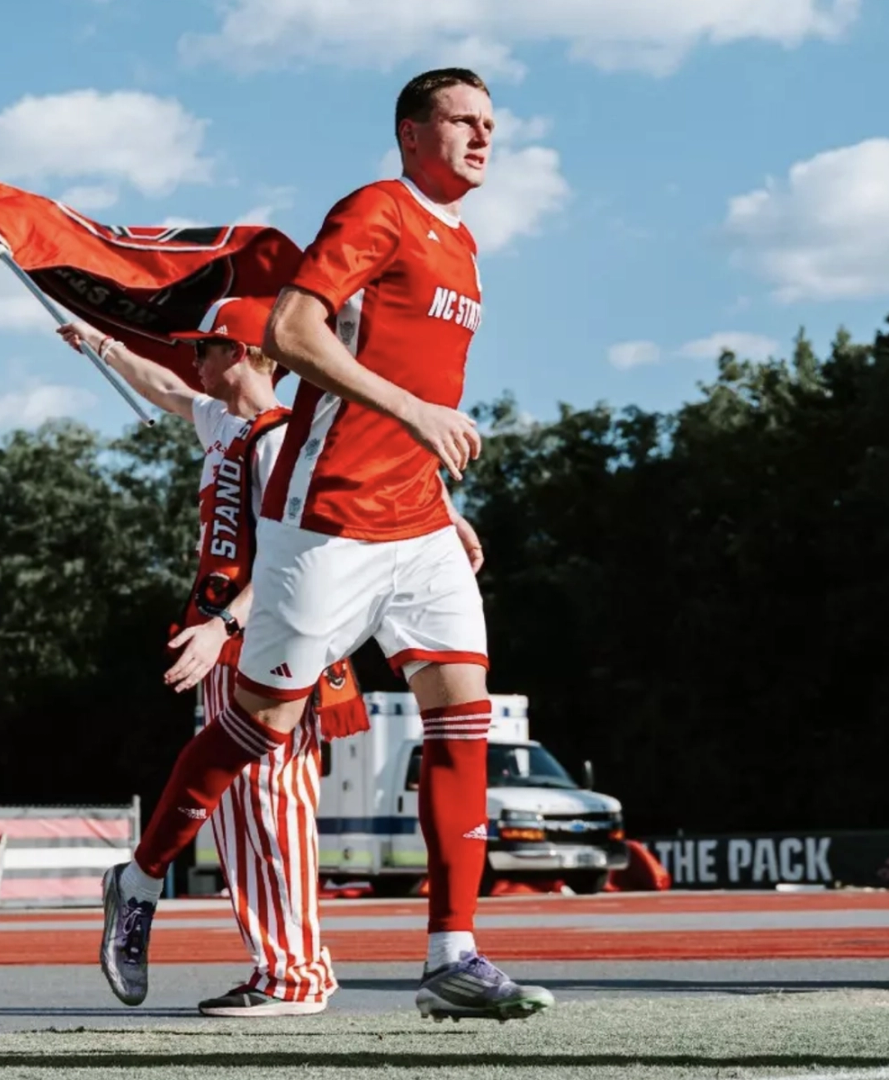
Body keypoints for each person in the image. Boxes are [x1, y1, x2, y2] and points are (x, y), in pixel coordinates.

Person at [96, 67, 551, 1022]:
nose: (484, 136)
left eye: (491, 123)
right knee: (257, 726)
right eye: (463, 120)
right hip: (327, 517)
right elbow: (294, 329)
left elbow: (416, 387)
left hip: (417, 522)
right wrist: (413, 412)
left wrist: (440, 497)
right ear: (411, 133)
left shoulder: (467, 248)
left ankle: (453, 955)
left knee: (463, 716)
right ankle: (137, 881)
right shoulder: (378, 208)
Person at [58, 298, 368, 1016]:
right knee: (239, 809)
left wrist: (223, 624)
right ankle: (278, 966)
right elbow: (166, 389)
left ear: (239, 351)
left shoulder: (283, 438)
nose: (192, 360)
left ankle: (296, 972)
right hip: (236, 646)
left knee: (274, 802)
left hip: (270, 642)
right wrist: (100, 345)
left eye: (204, 347)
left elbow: (296, 558)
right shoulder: (227, 425)